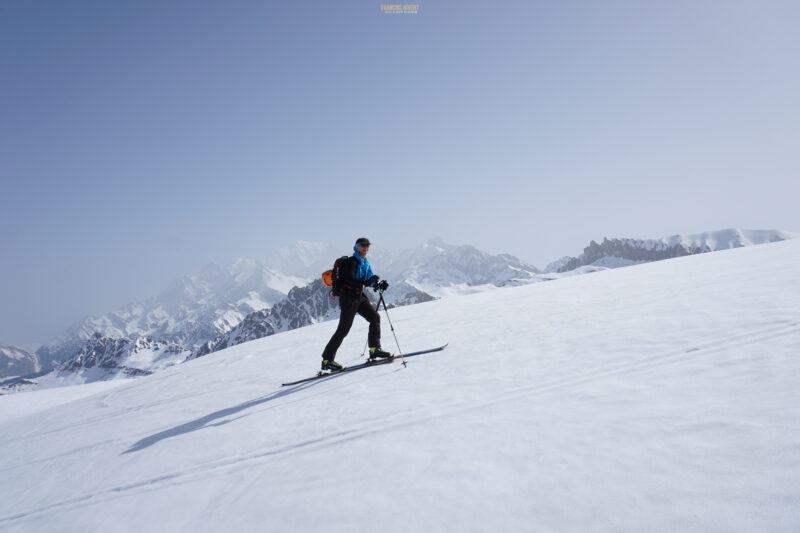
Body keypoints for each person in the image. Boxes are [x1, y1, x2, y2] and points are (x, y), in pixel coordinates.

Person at [321, 237, 391, 371]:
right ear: (356, 247)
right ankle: (327, 360)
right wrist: (365, 282)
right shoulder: (351, 262)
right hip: (348, 298)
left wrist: (378, 284)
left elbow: (369, 279)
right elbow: (349, 279)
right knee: (343, 330)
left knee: (375, 317)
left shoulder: (365, 262)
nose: (365, 248)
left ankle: (374, 348)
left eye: (367, 246)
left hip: (359, 297)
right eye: (362, 246)